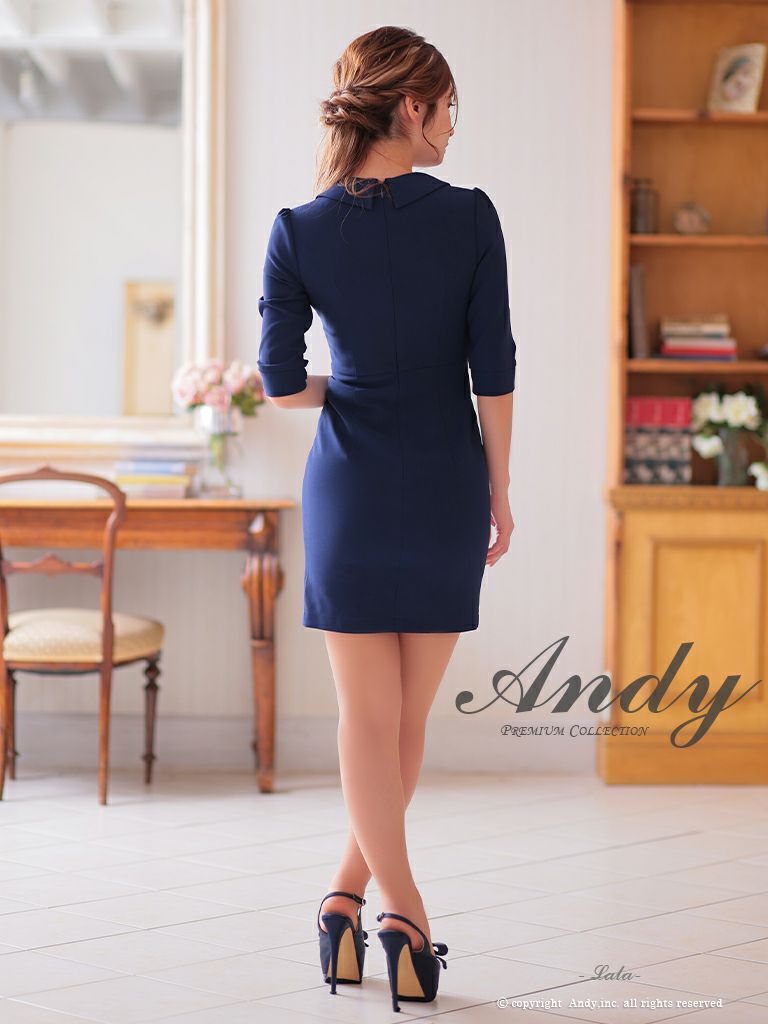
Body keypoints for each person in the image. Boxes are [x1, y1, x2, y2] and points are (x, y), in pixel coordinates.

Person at [257, 24, 516, 1012]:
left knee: (370, 718)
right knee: (404, 721)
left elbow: (281, 384)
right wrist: (498, 488)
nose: (452, 126)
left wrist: (356, 386)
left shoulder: (298, 227)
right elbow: (493, 370)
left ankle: (347, 900)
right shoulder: (472, 217)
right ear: (411, 106)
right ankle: (402, 912)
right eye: (448, 108)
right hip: (448, 478)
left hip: (351, 486)